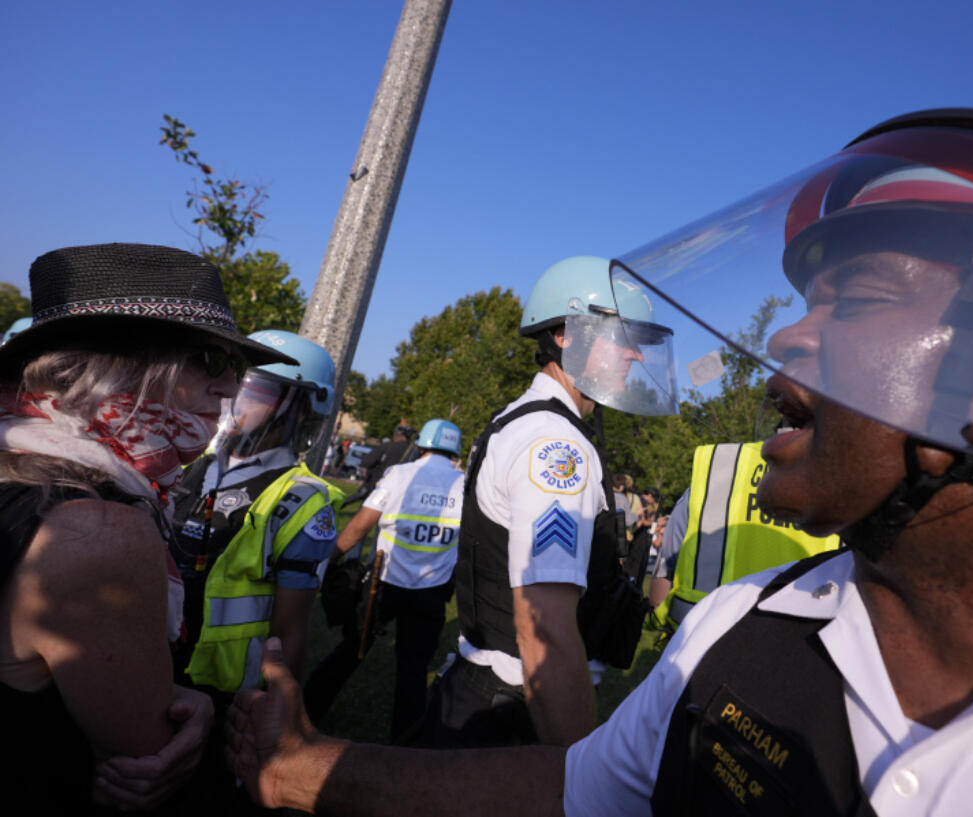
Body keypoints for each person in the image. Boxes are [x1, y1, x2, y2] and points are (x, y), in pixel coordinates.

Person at [227, 106, 973, 815]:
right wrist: (303, 768)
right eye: (800, 299)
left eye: (860, 298)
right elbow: (576, 789)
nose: (786, 340)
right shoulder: (737, 630)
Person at [0, 242, 294, 812]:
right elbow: (147, 756)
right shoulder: (97, 531)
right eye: (211, 361)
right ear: (122, 364)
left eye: (237, 369)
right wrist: (201, 713)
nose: (231, 388)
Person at [414, 255, 676, 749]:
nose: (636, 356)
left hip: (492, 695)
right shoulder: (555, 447)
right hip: (516, 710)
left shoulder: (529, 423)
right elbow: (545, 632)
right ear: (565, 335)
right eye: (621, 335)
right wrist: (576, 774)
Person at [168, 329, 341, 812]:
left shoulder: (301, 499)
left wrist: (281, 724)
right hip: (162, 665)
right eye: (237, 386)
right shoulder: (195, 465)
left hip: (230, 696)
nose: (235, 404)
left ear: (299, 408)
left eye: (258, 392)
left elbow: (292, 628)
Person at [303, 419, 465, 742]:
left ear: (422, 445)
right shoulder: (466, 484)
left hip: (385, 582)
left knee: (352, 650)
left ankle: (306, 710)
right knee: (414, 670)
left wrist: (325, 561)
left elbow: (360, 527)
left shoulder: (401, 474)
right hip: (432, 593)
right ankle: (404, 746)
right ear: (454, 451)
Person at [652, 440, 841, 633]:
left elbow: (664, 573)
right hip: (799, 641)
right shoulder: (849, 481)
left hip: (699, 636)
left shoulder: (718, 470)